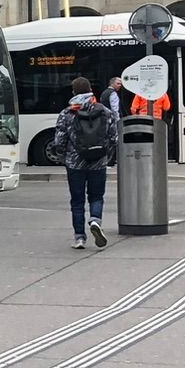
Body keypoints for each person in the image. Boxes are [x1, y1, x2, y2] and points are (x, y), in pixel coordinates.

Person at [49, 75, 118, 250]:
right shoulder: (105, 111)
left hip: (75, 163)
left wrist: (63, 157)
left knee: (77, 201)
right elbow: (113, 137)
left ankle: (79, 237)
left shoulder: (67, 113)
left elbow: (59, 140)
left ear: (73, 92)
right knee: (96, 196)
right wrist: (107, 155)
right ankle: (95, 220)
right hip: (98, 162)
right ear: (90, 90)